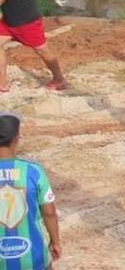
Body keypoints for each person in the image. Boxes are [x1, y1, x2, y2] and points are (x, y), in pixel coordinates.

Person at [0, 0, 68, 92]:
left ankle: (59, 79)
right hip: (9, 20)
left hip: (26, 21)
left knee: (42, 50)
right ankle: (2, 83)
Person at [0, 114, 61, 269]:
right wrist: (55, 242)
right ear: (16, 139)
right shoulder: (33, 170)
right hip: (33, 260)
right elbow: (49, 212)